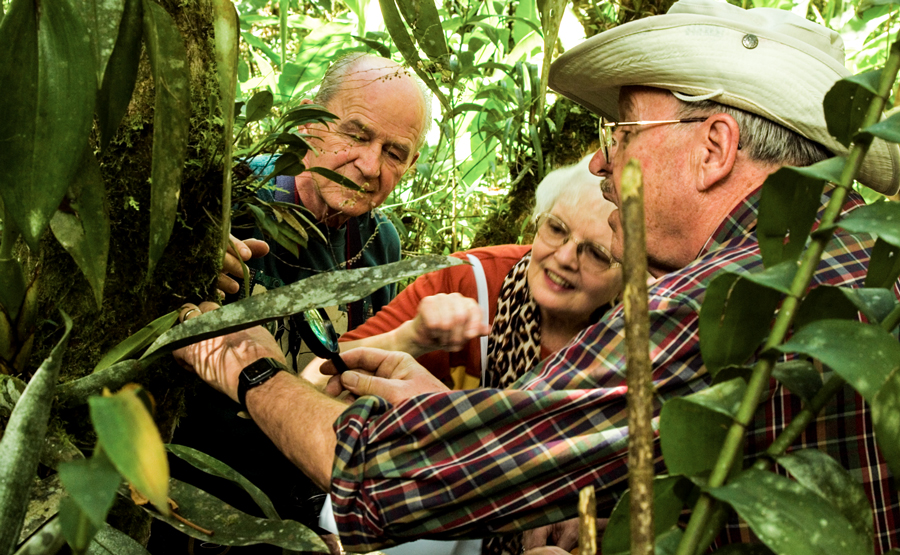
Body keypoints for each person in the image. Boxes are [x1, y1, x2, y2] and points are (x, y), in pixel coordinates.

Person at [173, 1, 900, 554]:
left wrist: (250, 366)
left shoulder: (729, 298)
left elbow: (381, 469)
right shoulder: (851, 267)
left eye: (621, 134)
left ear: (713, 147)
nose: (600, 163)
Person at [157, 53, 431, 554]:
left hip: (295, 495)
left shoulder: (380, 244)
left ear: (410, 166)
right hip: (189, 489)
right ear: (310, 124)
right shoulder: (231, 195)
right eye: (356, 133)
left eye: (395, 152)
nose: (370, 166)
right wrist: (189, 262)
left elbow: (351, 374)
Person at [302, 154, 622, 398]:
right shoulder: (467, 280)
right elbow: (314, 380)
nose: (564, 258)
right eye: (555, 228)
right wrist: (412, 338)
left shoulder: (656, 325)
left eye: (596, 254)